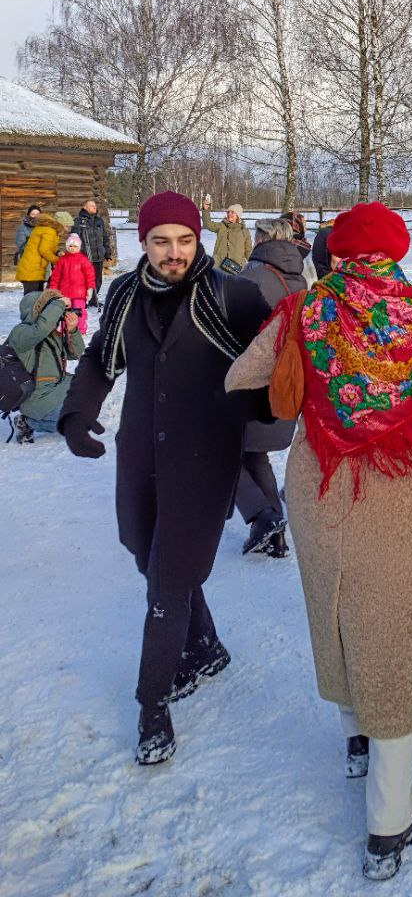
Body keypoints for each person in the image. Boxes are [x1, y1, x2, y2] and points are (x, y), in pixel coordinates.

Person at [225, 202, 412, 882]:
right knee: (393, 633)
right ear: (392, 255)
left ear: (335, 254)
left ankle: (354, 739)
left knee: (335, 611)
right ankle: (387, 821)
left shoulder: (302, 314)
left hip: (316, 484)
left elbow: (240, 378)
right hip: (392, 492)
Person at [57, 191, 271, 766]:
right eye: (160, 241)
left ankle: (152, 703)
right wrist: (78, 413)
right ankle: (205, 647)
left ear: (198, 239)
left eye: (183, 240)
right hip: (141, 453)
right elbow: (104, 356)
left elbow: (279, 362)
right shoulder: (127, 294)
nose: (173, 253)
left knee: (168, 583)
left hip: (205, 458)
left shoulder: (235, 295)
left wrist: (276, 412)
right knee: (144, 552)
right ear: (143, 243)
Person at [234, 217, 307, 557]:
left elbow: (230, 330)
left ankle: (262, 516)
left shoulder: (252, 277)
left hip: (252, 382)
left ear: (262, 238)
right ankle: (275, 532)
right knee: (252, 452)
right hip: (286, 383)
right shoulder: (302, 277)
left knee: (221, 452)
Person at [6, 290, 83, 444]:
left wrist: (73, 330)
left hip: (56, 390)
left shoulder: (52, 335)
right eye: (50, 309)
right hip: (35, 398)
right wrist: (60, 303)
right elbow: (40, 330)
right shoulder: (20, 333)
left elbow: (76, 353)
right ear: (38, 311)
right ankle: (27, 422)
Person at [48, 234, 96, 334]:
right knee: (66, 313)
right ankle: (66, 329)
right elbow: (56, 277)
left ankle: (81, 329)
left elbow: (90, 275)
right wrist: (53, 290)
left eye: (75, 246)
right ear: (67, 246)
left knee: (79, 312)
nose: (72, 248)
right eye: (70, 246)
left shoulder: (83, 260)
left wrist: (90, 288)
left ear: (79, 247)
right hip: (65, 294)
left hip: (79, 293)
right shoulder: (62, 260)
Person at [15, 210, 66, 293]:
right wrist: (57, 260)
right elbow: (44, 250)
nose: (67, 229)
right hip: (32, 268)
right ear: (61, 224)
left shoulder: (48, 229)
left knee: (37, 298)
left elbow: (48, 247)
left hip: (36, 267)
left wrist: (57, 252)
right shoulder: (49, 231)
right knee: (31, 298)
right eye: (66, 226)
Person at [201, 195, 253, 272]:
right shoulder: (222, 226)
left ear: (238, 216)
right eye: (228, 212)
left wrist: (254, 265)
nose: (229, 214)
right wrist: (205, 210)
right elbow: (208, 224)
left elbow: (248, 251)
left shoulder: (245, 231)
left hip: (236, 267)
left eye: (232, 212)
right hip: (218, 265)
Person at [74, 199, 109, 308]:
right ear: (85, 207)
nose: (95, 207)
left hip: (98, 256)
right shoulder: (79, 221)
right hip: (85, 256)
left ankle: (94, 299)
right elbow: (74, 238)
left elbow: (104, 237)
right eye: (91, 205)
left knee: (98, 280)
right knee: (85, 280)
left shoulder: (99, 221)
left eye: (95, 205)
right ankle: (83, 300)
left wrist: (106, 250)